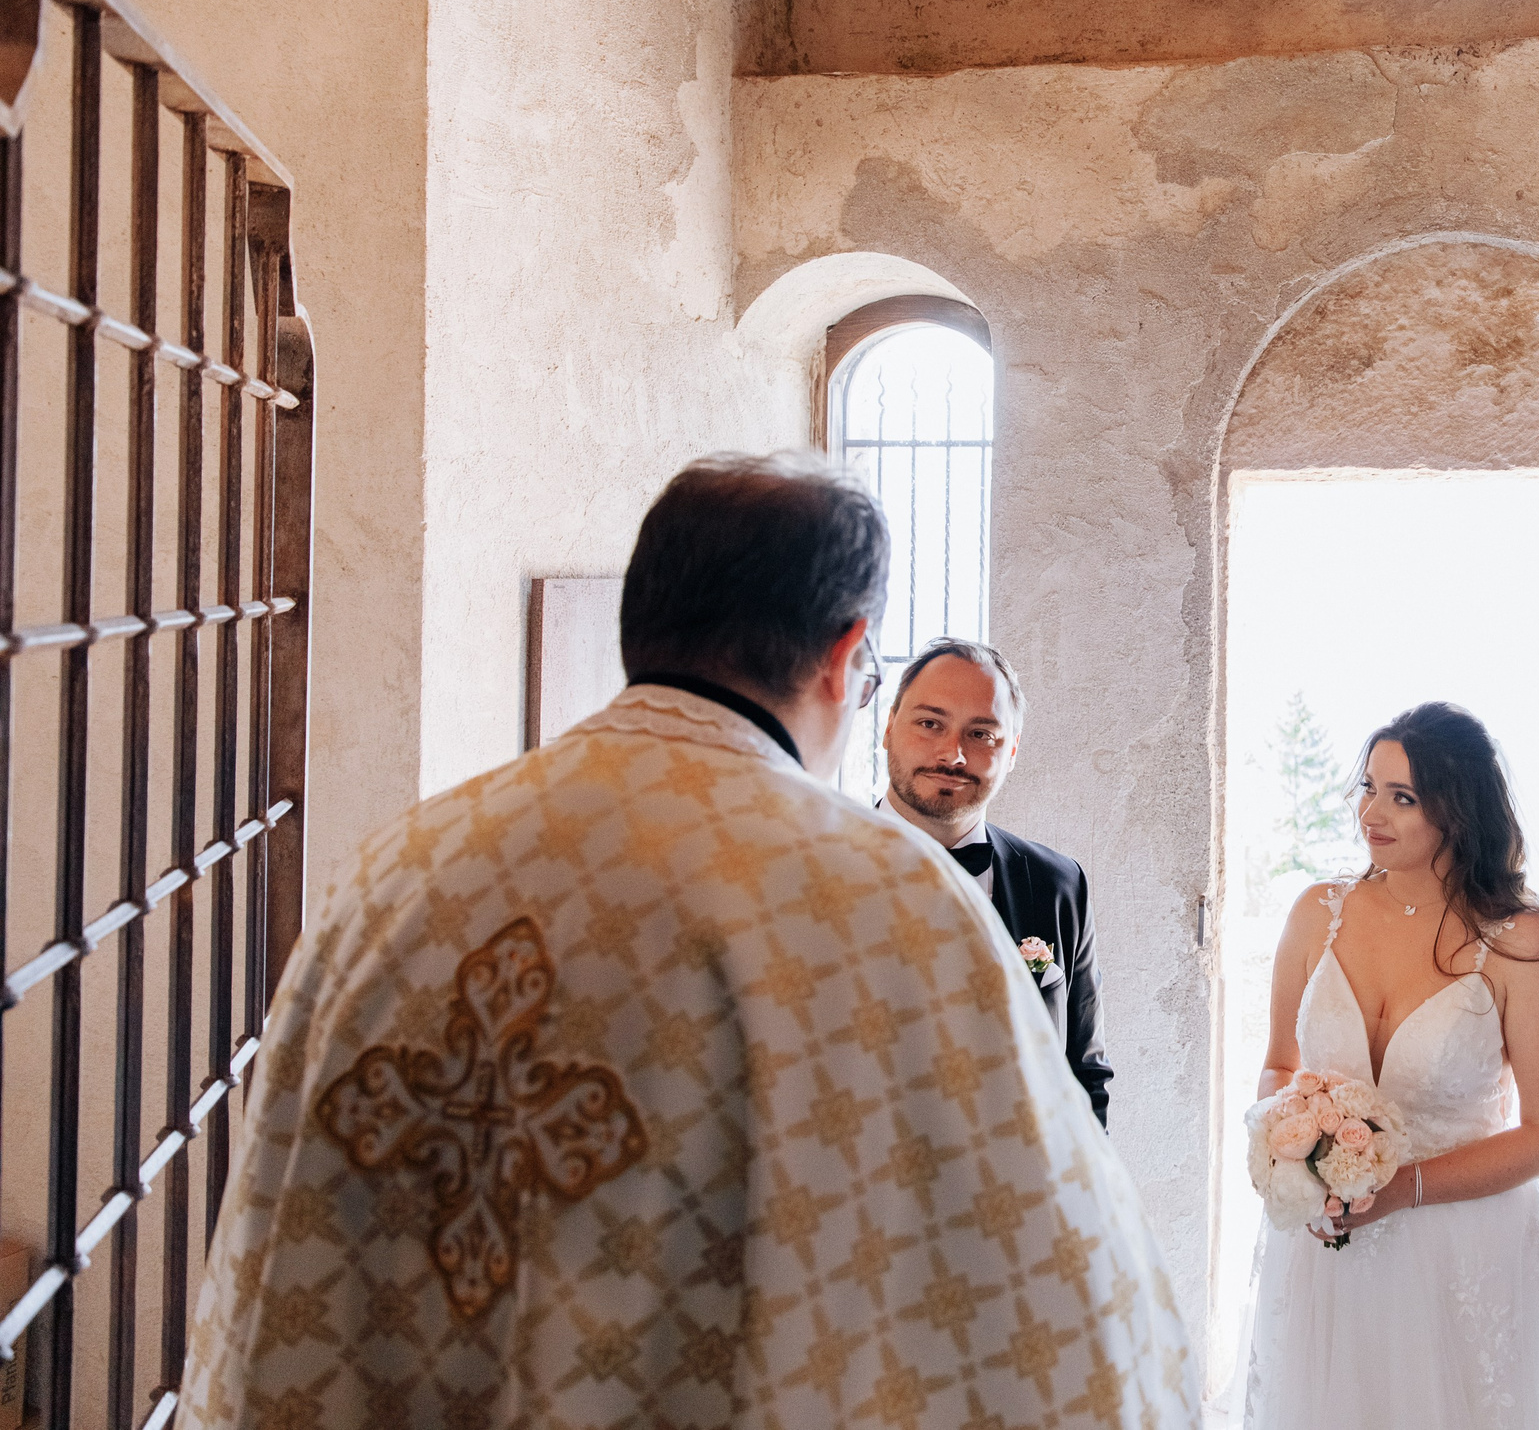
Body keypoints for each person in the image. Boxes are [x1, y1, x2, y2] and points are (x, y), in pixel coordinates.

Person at [178, 453, 1194, 1430]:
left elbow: (278, 1246)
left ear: (640, 623)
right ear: (848, 660)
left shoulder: (402, 865)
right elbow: (1056, 1314)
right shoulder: (885, 899)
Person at [1230, 702, 1539, 1430]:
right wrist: (1291, 1154)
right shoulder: (1315, 912)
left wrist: (1403, 1188)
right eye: (1369, 787)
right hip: (1325, 1245)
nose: (1371, 812)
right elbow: (1277, 1065)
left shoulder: (1521, 942)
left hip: (1463, 1254)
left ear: (1457, 810)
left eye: (1402, 797)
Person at [876, 639, 1114, 1125]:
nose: (953, 754)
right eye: (929, 723)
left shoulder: (1058, 884)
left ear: (1012, 752)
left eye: (981, 734)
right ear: (888, 727)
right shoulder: (809, 872)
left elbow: (1084, 1075)